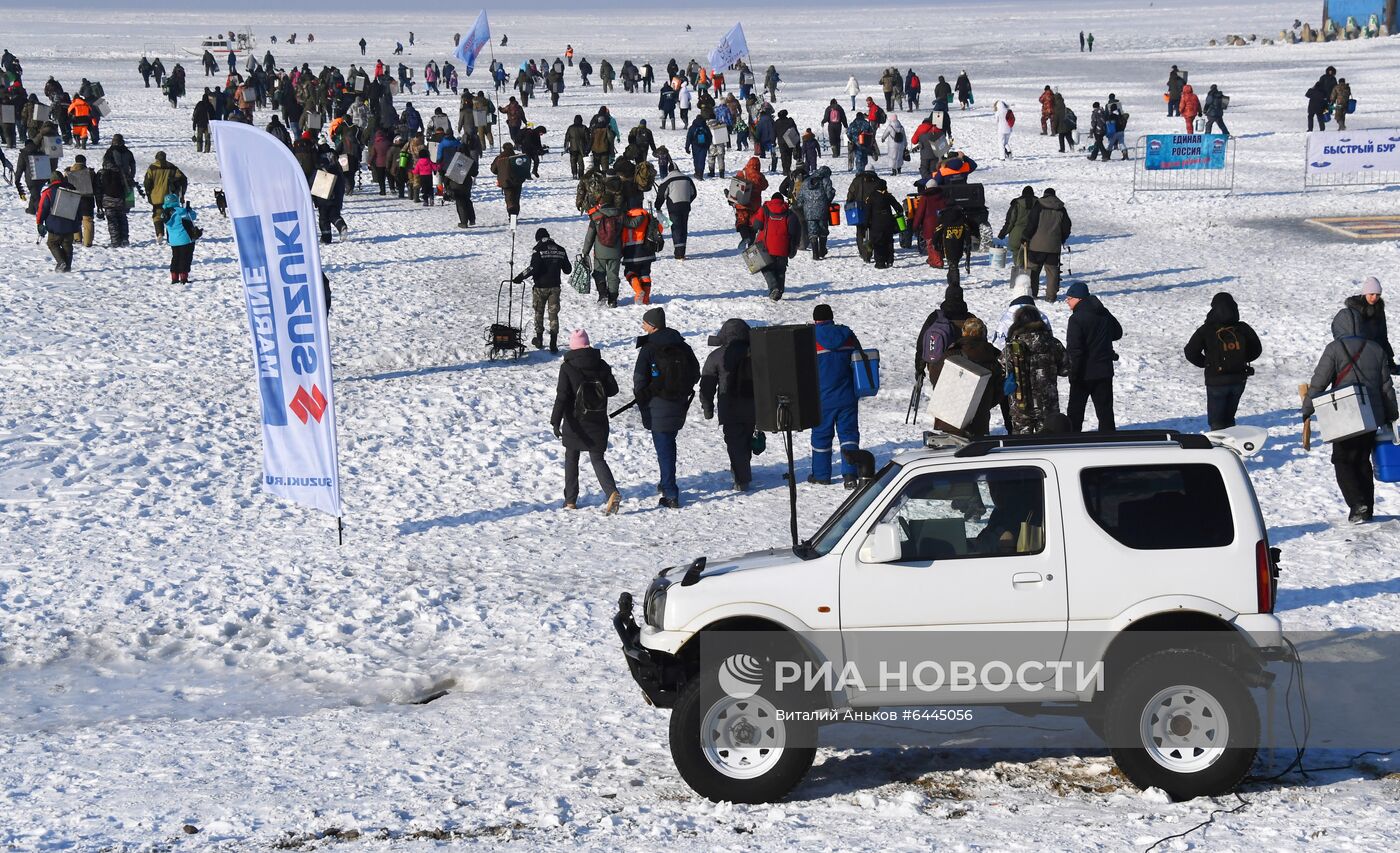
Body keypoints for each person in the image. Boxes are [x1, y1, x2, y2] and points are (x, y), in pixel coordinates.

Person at [1302, 306, 1398, 523]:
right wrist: (1392, 414)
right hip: (1371, 415)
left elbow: (1319, 383)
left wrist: (1307, 408)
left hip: (1344, 413)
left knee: (1342, 460)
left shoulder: (1334, 349)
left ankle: (1357, 504)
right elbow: (1386, 387)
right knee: (1362, 460)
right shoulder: (1376, 348)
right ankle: (1368, 508)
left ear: (1337, 327)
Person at [633, 307, 700, 508]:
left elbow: (639, 378)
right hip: (678, 403)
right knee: (668, 444)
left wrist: (643, 397)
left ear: (652, 326)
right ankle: (665, 482)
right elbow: (695, 372)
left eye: (645, 323)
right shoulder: (681, 345)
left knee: (664, 448)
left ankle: (671, 493)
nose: (643, 326)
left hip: (657, 405)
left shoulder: (649, 348)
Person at [551, 330, 622, 513]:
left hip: (575, 422)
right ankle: (612, 492)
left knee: (572, 458)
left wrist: (555, 421)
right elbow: (613, 390)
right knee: (598, 459)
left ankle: (570, 501)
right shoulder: (601, 364)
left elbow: (562, 396)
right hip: (597, 420)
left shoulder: (567, 367)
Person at [1183, 292, 1263, 430]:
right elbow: (1257, 349)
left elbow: (1190, 352)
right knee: (1229, 418)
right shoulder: (1243, 328)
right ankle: (1231, 443)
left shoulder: (1206, 329)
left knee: (1217, 421)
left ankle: (1219, 446)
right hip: (1239, 379)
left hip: (1216, 380)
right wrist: (1241, 358)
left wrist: (1207, 363)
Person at [700, 319, 757, 491]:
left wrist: (708, 408)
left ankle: (742, 478)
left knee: (734, 442)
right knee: (746, 438)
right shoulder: (756, 352)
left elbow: (707, 385)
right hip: (752, 405)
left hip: (729, 406)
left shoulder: (716, 355)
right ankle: (742, 470)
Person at [810, 304, 864, 488]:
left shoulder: (811, 337)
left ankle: (821, 475)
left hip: (822, 398)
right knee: (848, 435)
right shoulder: (846, 334)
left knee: (821, 436)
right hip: (847, 395)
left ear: (816, 320)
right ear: (831, 317)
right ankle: (850, 475)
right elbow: (860, 358)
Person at [1001, 305, 1069, 435]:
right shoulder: (1053, 343)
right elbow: (1065, 370)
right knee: (1048, 441)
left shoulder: (1012, 347)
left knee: (1021, 446)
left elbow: (1003, 371)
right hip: (1048, 405)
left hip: (1021, 405)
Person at [1064, 282, 1122, 432]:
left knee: (1075, 413)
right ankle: (1109, 443)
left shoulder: (1076, 319)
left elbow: (1075, 350)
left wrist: (1073, 374)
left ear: (1079, 298)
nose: (1067, 301)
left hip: (1083, 374)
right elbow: (1117, 333)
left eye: (1069, 298)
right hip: (1104, 371)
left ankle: (1071, 442)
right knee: (1105, 413)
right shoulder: (1103, 312)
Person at [751, 192, 800, 300]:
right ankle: (779, 290)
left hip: (766, 246)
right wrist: (794, 246)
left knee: (766, 267)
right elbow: (794, 231)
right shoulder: (790, 213)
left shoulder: (765, 209)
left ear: (772, 200)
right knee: (781, 269)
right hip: (783, 247)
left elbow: (757, 225)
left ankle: (774, 288)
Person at [1024, 188, 1071, 301]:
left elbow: (1031, 223)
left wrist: (1025, 237)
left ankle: (1033, 294)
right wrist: (1062, 239)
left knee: (1033, 270)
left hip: (1036, 245)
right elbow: (1066, 227)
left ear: (1045, 195)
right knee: (1052, 272)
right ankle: (1051, 296)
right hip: (1053, 247)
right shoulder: (1061, 209)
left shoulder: (1038, 206)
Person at [1345, 277, 1395, 371]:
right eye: (1371, 294)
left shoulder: (1379, 308)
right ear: (1365, 293)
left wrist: (1390, 359)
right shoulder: (1354, 309)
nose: (1374, 298)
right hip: (1357, 355)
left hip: (1376, 352)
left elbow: (1383, 335)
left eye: (1378, 295)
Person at [35, 171, 80, 272]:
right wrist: (78, 221)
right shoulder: (72, 189)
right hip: (70, 222)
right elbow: (78, 207)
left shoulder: (48, 192)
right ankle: (67, 267)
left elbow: (42, 208)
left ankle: (61, 262)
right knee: (67, 244)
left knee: (52, 243)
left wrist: (39, 222)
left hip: (55, 224)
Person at [582, 200, 623, 306]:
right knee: (613, 276)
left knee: (599, 273)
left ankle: (602, 295)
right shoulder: (620, 215)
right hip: (616, 252)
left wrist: (585, 252)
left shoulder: (596, 217)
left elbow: (589, 237)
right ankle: (612, 300)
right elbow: (629, 229)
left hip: (600, 253)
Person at [621, 204, 664, 305]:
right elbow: (659, 229)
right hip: (647, 250)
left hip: (631, 251)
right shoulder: (647, 216)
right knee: (645, 274)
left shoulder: (625, 218)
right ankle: (646, 299)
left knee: (629, 272)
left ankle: (638, 290)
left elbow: (622, 236)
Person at [793, 165, 836, 260]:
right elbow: (829, 195)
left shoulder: (806, 181)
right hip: (822, 211)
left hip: (808, 212)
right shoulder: (826, 180)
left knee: (812, 232)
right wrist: (831, 194)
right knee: (823, 230)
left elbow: (800, 198)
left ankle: (815, 254)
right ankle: (822, 250)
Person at [142, 151, 186, 242]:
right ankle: (171, 237)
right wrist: (181, 193)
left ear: (156, 158)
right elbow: (183, 178)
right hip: (170, 197)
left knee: (157, 215)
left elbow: (147, 182)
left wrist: (148, 193)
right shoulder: (172, 167)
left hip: (156, 196)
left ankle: (160, 233)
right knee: (171, 216)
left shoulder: (152, 168)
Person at [654, 167, 696, 260]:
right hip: (685, 206)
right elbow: (694, 193)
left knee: (676, 228)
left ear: (669, 170)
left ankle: (678, 253)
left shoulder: (668, 180)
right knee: (683, 227)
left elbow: (661, 195)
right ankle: (682, 252)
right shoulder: (687, 178)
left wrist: (657, 206)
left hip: (674, 207)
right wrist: (687, 200)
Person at [728, 156, 767, 247]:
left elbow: (735, 186)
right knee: (752, 224)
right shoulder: (760, 176)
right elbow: (765, 186)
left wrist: (731, 198)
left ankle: (745, 237)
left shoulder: (742, 173)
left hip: (742, 203)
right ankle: (751, 243)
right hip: (755, 205)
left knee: (742, 221)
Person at [162, 192, 198, 283]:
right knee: (184, 258)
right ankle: (183, 277)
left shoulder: (164, 213)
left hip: (173, 240)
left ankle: (174, 277)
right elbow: (193, 216)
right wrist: (189, 210)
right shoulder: (180, 211)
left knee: (175, 257)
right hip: (184, 239)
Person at [997, 185, 1037, 268]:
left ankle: (1019, 273)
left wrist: (1003, 233)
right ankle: (1030, 276)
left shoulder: (1017, 204)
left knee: (1017, 255)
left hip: (1017, 234)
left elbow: (1010, 222)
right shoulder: (1038, 204)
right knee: (1031, 257)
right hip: (1033, 233)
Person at [490, 141, 525, 217]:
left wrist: (501, 172)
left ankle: (512, 217)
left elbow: (493, 170)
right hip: (517, 181)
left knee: (509, 200)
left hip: (505, 182)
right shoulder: (517, 157)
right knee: (516, 199)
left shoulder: (499, 158)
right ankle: (514, 216)